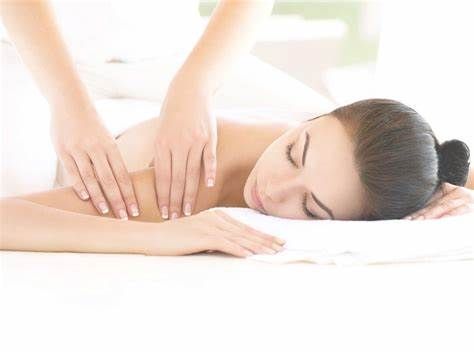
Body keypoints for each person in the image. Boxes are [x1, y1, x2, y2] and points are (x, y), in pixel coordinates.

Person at [1, 98, 473, 257]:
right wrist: (158, 237)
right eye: (293, 152)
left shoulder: (351, 158)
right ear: (315, 117)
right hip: (121, 125)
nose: (273, 191)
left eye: (311, 208)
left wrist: (446, 188)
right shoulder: (189, 180)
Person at [2, 0, 306, 223]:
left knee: (327, 130)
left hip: (173, 53)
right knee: (16, 180)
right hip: (27, 54)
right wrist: (68, 104)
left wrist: (195, 85)